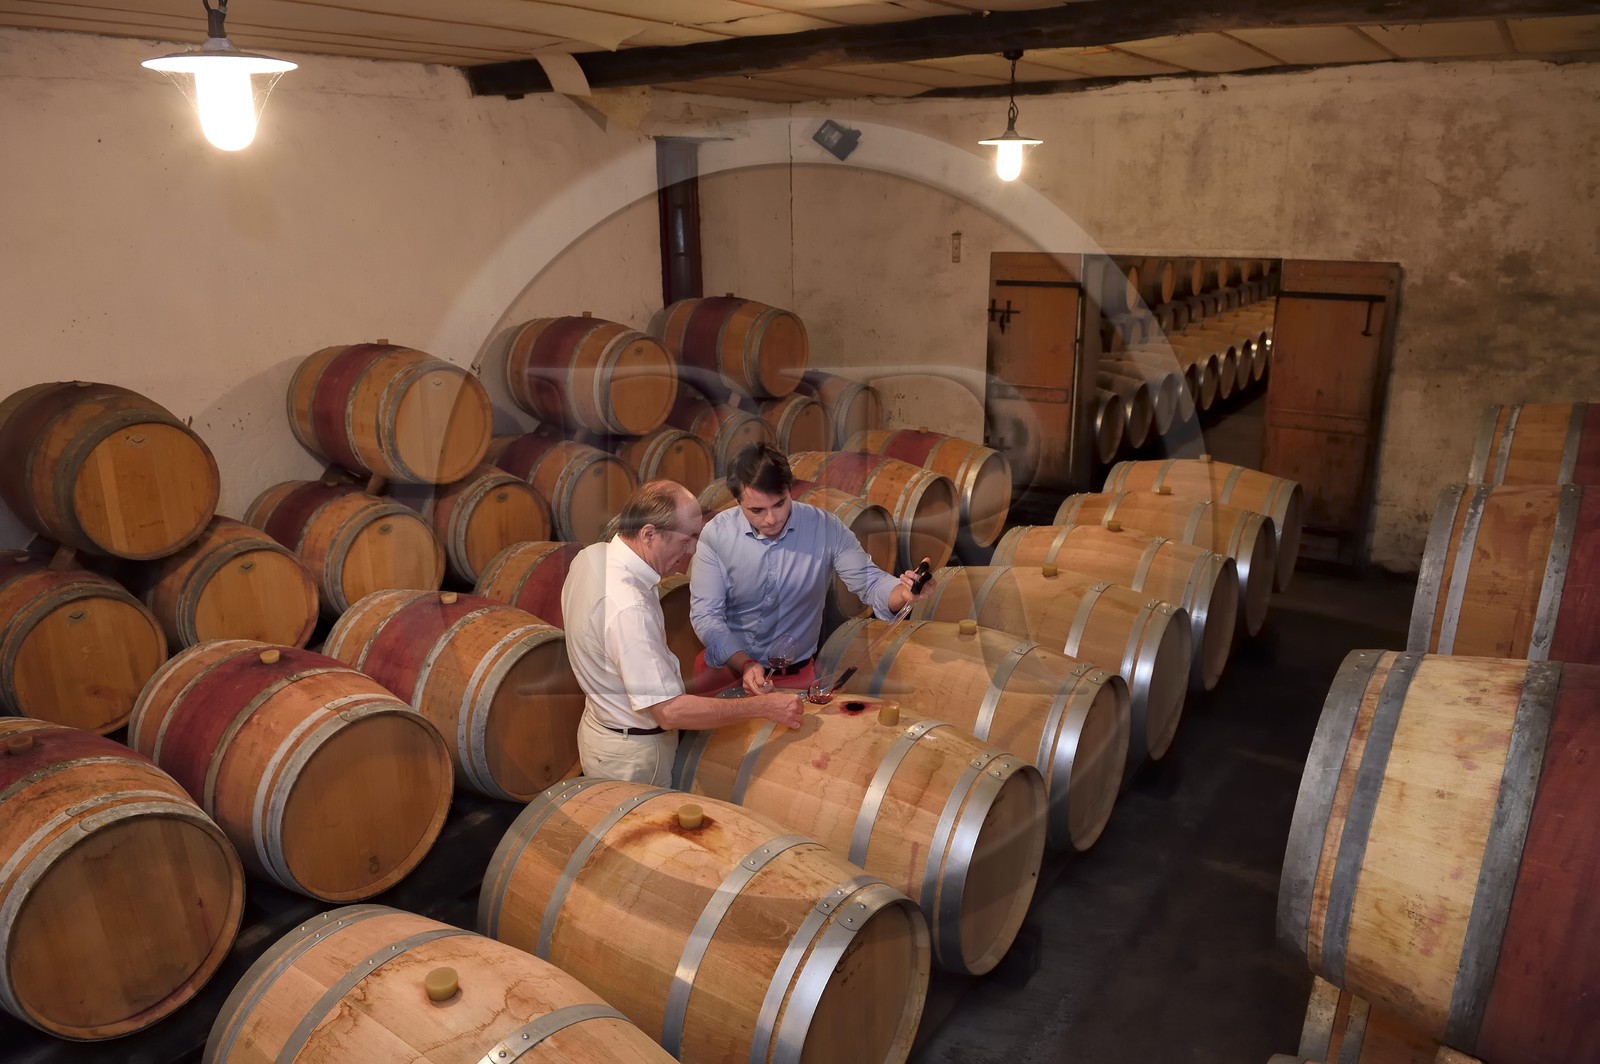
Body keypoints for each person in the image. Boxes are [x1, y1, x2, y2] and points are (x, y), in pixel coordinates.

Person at [561, 479, 804, 786]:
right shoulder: (627, 607)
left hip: (601, 731)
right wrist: (762, 707)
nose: (692, 550)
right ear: (649, 533)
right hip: (634, 757)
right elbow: (669, 712)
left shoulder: (592, 556)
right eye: (687, 539)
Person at [690, 443, 934, 696]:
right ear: (738, 501)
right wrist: (745, 663)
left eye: (779, 504)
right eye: (757, 510)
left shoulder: (824, 527)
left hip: (793, 679)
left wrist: (905, 593)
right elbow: (706, 615)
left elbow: (870, 583)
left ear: (789, 489)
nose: (771, 519)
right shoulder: (717, 534)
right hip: (725, 672)